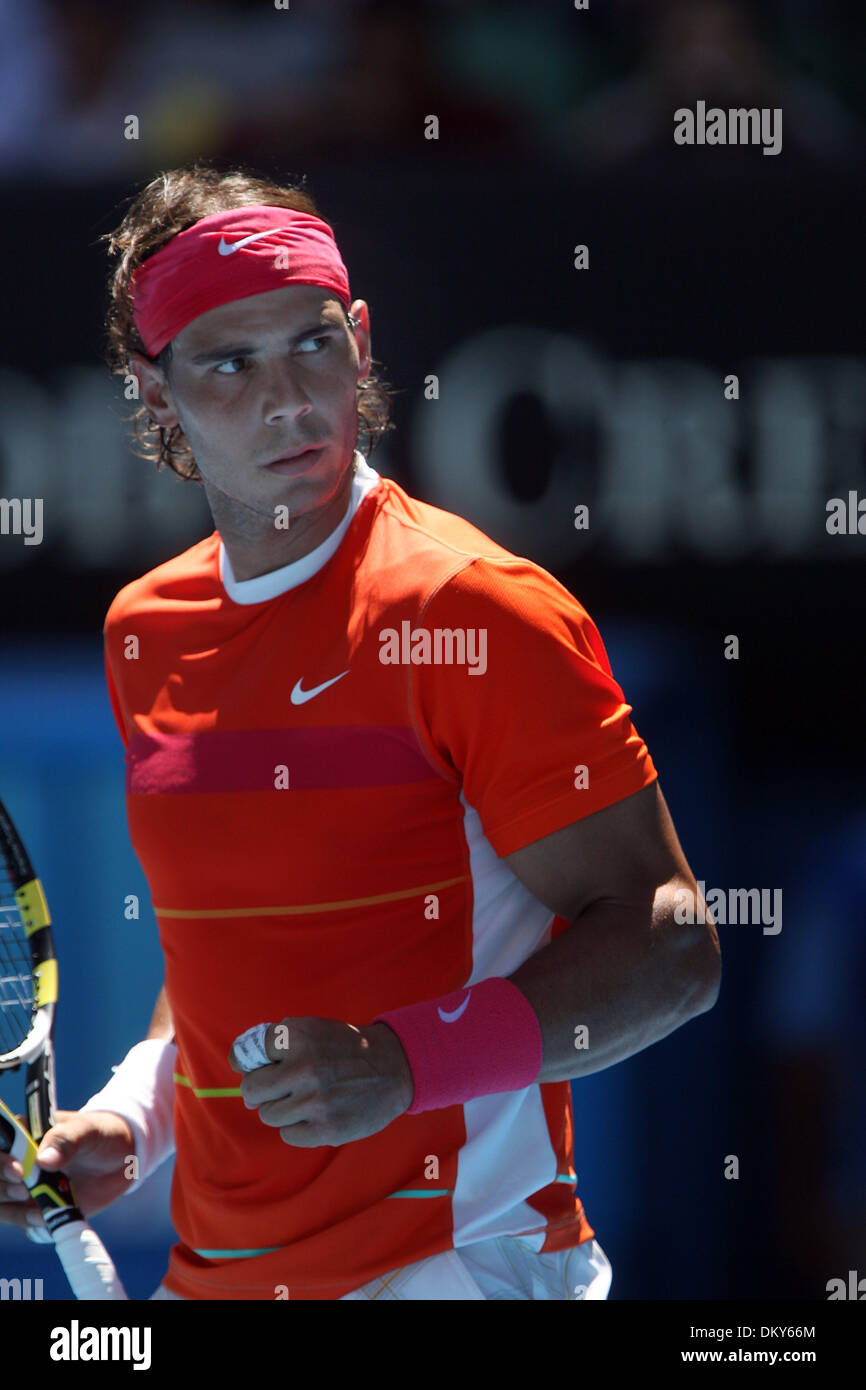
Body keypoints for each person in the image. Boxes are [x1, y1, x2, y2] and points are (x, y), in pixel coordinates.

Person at [0, 164, 720, 1300]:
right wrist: (138, 1113)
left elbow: (672, 945)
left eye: (314, 342)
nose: (289, 396)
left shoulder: (475, 608)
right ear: (152, 390)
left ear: (363, 340)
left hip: (458, 1269)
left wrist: (403, 1066)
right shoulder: (146, 630)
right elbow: (231, 955)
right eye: (230, 364)